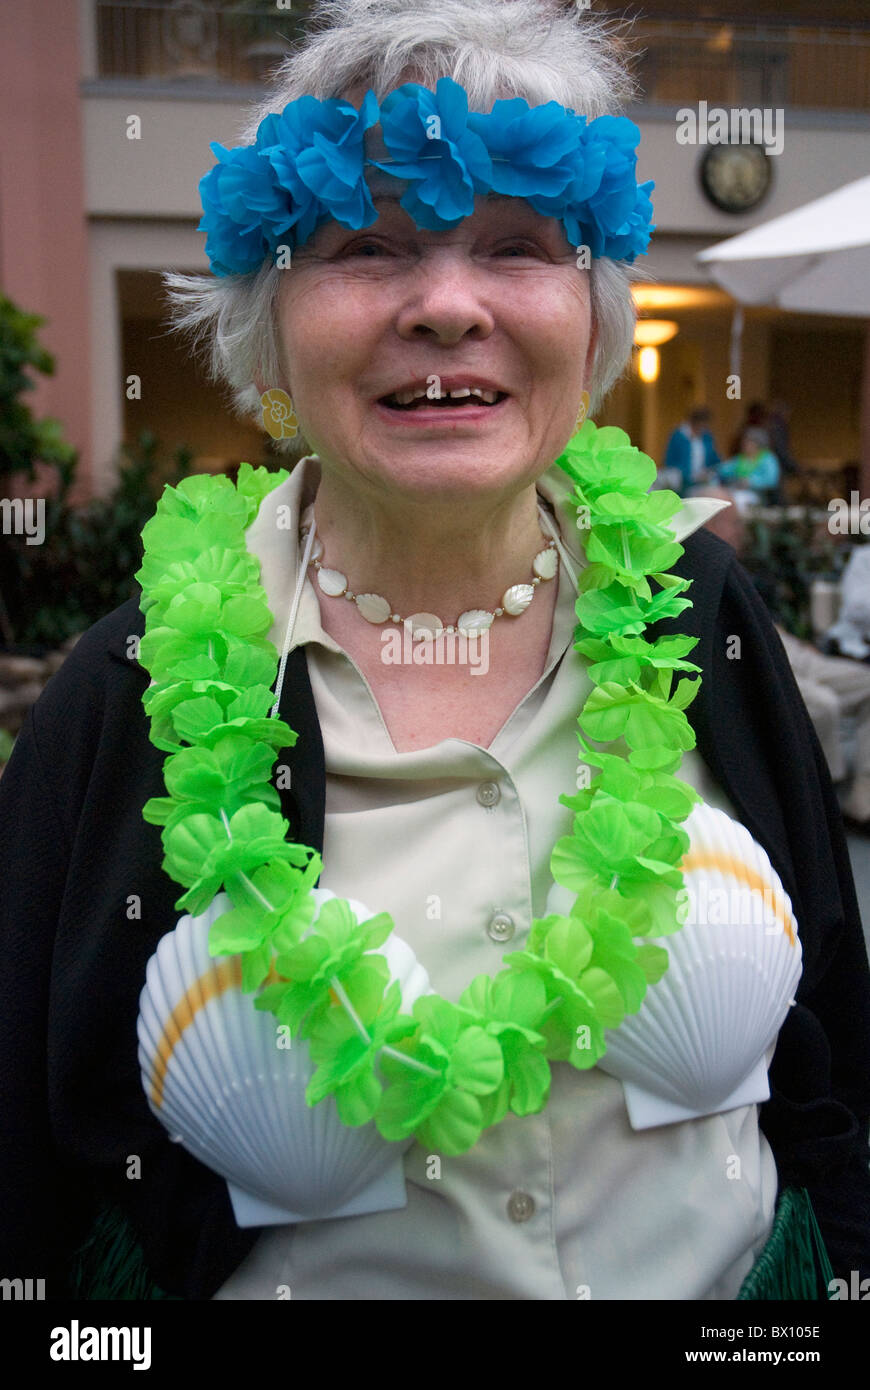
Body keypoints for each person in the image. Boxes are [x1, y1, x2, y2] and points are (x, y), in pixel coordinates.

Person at [1, 0, 868, 1303]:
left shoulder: (703, 610)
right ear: (271, 317)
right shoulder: (130, 690)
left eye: (515, 245)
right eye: (367, 248)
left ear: (588, 310)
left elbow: (839, 1064)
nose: (446, 305)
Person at [663, 406, 720, 496]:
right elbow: (670, 461)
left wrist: (710, 472)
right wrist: (691, 476)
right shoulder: (678, 436)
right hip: (682, 481)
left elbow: (714, 459)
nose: (703, 428)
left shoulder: (707, 437)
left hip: (702, 480)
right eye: (701, 425)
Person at [717, 426, 780, 502]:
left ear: (757, 444)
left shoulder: (767, 458)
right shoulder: (741, 458)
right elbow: (724, 469)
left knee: (737, 500)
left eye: (748, 442)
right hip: (736, 490)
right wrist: (713, 471)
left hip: (758, 494)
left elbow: (771, 480)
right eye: (744, 442)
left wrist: (751, 482)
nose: (744, 445)